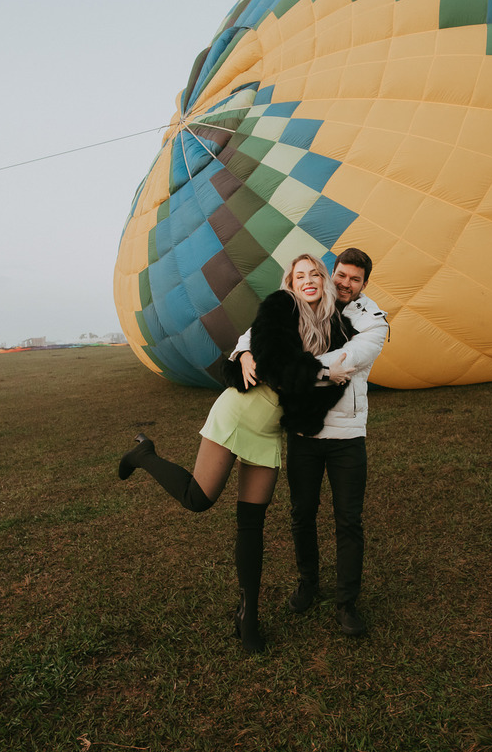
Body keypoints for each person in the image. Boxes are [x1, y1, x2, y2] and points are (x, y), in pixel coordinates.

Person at [117, 253, 356, 653]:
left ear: (325, 281)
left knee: (252, 525)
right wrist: (317, 374)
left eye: (315, 273)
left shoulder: (335, 326)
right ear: (291, 283)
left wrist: (317, 381)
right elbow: (278, 363)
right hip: (239, 411)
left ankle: (248, 617)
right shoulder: (280, 307)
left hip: (267, 431)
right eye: (301, 276)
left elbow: (328, 382)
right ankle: (144, 455)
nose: (309, 280)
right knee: (198, 498)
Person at [232, 248, 388, 636]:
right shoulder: (308, 300)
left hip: (347, 434)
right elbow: (261, 328)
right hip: (304, 430)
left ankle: (347, 602)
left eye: (355, 279)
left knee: (348, 520)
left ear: (365, 283)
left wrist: (287, 370)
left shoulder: (374, 323)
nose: (345, 284)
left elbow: (346, 362)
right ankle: (308, 584)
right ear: (329, 274)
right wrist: (246, 351)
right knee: (302, 514)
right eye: (341, 276)